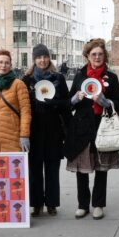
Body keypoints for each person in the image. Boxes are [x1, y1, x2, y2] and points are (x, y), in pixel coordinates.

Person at [64, 38, 119, 220]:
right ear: (87, 56)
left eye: (100, 54)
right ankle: (82, 205)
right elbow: (68, 103)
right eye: (94, 54)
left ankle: (98, 205)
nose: (97, 57)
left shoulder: (111, 77)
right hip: (81, 129)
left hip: (102, 127)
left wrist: (107, 102)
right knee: (82, 170)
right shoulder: (80, 76)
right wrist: (75, 99)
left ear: (104, 56)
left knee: (101, 168)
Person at [22, 44, 70, 216]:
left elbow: (67, 104)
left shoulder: (58, 78)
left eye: (45, 56)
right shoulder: (26, 80)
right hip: (33, 130)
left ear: (49, 58)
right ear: (34, 60)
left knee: (52, 168)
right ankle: (36, 204)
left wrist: (55, 103)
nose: (42, 60)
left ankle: (51, 203)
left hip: (53, 130)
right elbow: (21, 106)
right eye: (39, 57)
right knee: (34, 169)